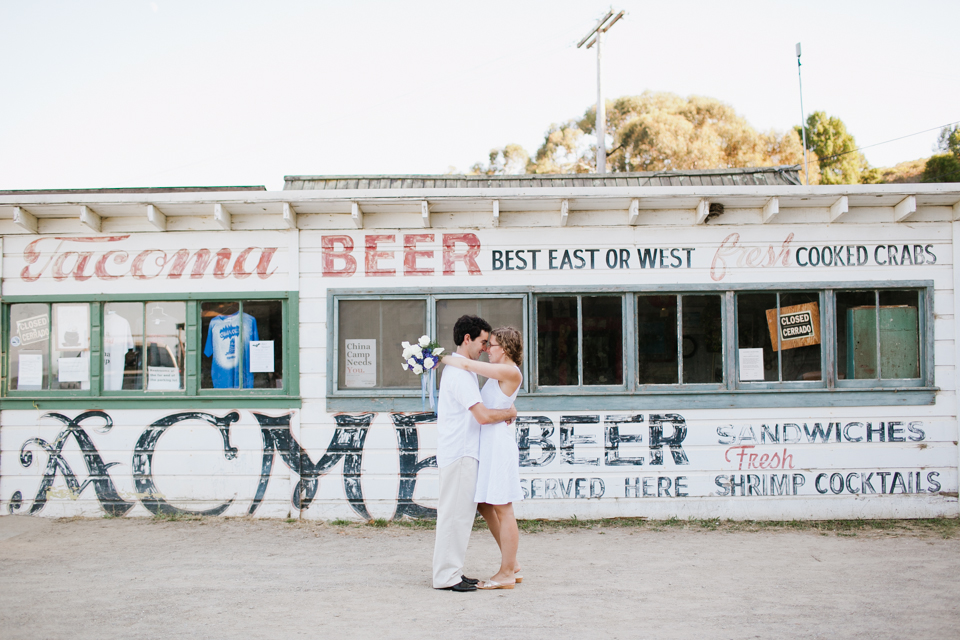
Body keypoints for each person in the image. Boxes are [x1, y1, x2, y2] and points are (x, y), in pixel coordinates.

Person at [432, 315, 518, 592]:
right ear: (467, 339)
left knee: (478, 510)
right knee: (458, 514)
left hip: (479, 448)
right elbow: (481, 415)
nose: (485, 348)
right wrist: (510, 412)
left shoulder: (475, 371)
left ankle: (494, 567)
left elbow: (471, 367)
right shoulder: (461, 372)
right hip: (463, 450)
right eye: (484, 342)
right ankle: (448, 576)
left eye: (490, 344)